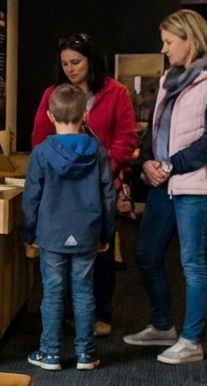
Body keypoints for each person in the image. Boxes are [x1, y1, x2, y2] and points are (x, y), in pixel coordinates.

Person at [123, 9, 207, 365]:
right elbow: (155, 128)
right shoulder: (169, 79)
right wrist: (146, 161)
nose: (164, 49)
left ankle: (191, 341)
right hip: (165, 182)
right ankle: (163, 327)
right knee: (147, 255)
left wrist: (171, 166)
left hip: (199, 186)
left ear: (190, 40)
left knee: (194, 263)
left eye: (169, 42)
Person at [30, 32, 138, 336]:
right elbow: (39, 136)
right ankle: (64, 317)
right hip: (60, 187)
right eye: (64, 63)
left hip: (98, 184)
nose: (70, 68)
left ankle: (99, 315)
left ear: (91, 61)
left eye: (76, 62)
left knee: (100, 252)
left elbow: (127, 138)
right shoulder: (53, 93)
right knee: (58, 253)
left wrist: (104, 166)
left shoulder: (115, 92)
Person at [21, 84, 115, 371]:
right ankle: (86, 354)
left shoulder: (41, 152)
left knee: (52, 293)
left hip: (51, 234)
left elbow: (31, 197)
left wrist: (29, 232)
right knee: (85, 292)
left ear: (50, 116)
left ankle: (50, 353)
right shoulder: (98, 152)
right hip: (87, 233)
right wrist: (106, 233)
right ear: (85, 113)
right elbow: (108, 195)